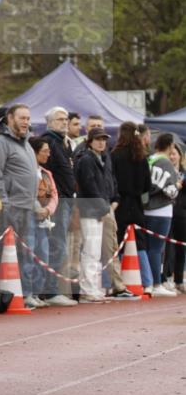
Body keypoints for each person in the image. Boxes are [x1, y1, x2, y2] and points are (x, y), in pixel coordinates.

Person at [0, 104, 38, 301]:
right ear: (10, 118)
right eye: (22, 118)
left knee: (25, 253)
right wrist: (4, 203)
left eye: (28, 118)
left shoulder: (26, 143)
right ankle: (2, 294)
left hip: (26, 206)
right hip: (9, 207)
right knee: (5, 253)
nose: (26, 122)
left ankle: (24, 293)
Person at [40, 107, 78, 305]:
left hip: (66, 199)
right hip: (56, 201)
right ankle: (50, 290)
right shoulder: (50, 142)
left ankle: (51, 289)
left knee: (60, 246)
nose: (64, 122)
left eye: (66, 119)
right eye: (60, 119)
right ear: (49, 122)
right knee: (56, 246)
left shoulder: (64, 143)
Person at [74, 128, 116, 302]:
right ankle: (87, 289)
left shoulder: (102, 158)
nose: (101, 142)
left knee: (95, 251)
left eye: (104, 139)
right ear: (90, 141)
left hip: (98, 209)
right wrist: (102, 206)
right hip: (89, 209)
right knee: (90, 250)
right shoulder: (86, 159)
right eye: (98, 139)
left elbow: (106, 184)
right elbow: (89, 185)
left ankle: (92, 287)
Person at [111, 121, 152, 290]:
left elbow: (113, 180)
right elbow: (147, 185)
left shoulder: (115, 155)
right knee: (140, 242)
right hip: (136, 204)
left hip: (120, 203)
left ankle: (120, 283)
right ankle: (147, 282)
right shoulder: (141, 156)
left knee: (118, 241)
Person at [27, 136, 61, 309]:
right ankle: (27, 293)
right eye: (45, 151)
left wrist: (48, 210)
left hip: (44, 219)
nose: (49, 154)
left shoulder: (47, 173)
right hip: (28, 218)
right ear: (33, 152)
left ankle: (36, 292)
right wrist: (36, 209)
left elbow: (54, 194)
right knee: (29, 254)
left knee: (43, 255)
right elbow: (25, 191)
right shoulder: (26, 171)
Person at [145, 133, 181, 296]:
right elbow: (171, 191)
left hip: (145, 208)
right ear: (170, 146)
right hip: (161, 210)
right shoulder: (165, 163)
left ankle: (151, 281)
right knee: (157, 248)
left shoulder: (149, 160)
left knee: (148, 248)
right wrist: (178, 185)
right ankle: (156, 283)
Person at [167, 143, 186, 293]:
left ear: (180, 155)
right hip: (165, 211)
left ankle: (179, 279)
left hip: (181, 214)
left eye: (175, 154)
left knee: (180, 247)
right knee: (167, 246)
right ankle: (166, 277)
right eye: (170, 154)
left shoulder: (184, 173)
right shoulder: (164, 172)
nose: (172, 157)